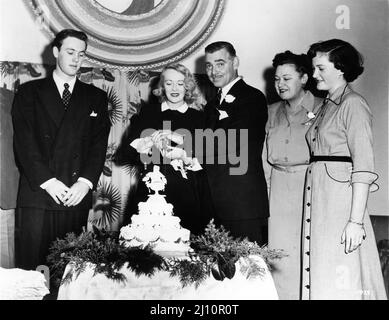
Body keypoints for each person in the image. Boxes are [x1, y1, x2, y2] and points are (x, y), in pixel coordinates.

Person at [12, 29, 110, 270]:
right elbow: (24, 143)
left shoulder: (95, 97)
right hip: (39, 193)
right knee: (33, 273)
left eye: (81, 54)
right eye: (70, 52)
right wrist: (49, 181)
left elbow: (99, 145)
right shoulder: (29, 92)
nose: (76, 59)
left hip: (75, 195)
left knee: (69, 273)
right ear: (56, 52)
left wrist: (85, 183)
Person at [302, 39, 387, 299]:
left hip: (340, 207)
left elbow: (363, 168)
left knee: (340, 279)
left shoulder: (354, 105)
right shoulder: (327, 105)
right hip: (320, 202)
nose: (314, 74)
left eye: (320, 68)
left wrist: (355, 222)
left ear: (340, 69)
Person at [113, 63, 213, 235]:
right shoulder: (147, 114)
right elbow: (124, 155)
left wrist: (183, 148)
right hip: (149, 196)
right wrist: (147, 142)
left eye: (180, 83)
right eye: (169, 83)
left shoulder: (200, 119)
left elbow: (208, 161)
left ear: (187, 86)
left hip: (188, 197)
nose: (174, 88)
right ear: (162, 87)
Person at [263, 51, 323, 300]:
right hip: (277, 190)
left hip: (309, 188)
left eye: (287, 78)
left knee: (309, 255)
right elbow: (264, 159)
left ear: (305, 78)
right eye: (277, 79)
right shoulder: (270, 111)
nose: (280, 84)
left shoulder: (324, 108)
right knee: (279, 258)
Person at [203, 41, 269, 245]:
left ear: (235, 62)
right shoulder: (212, 103)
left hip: (242, 204)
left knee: (247, 271)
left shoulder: (252, 98)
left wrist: (185, 143)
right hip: (214, 203)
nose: (213, 71)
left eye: (220, 64)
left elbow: (230, 143)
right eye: (209, 65)